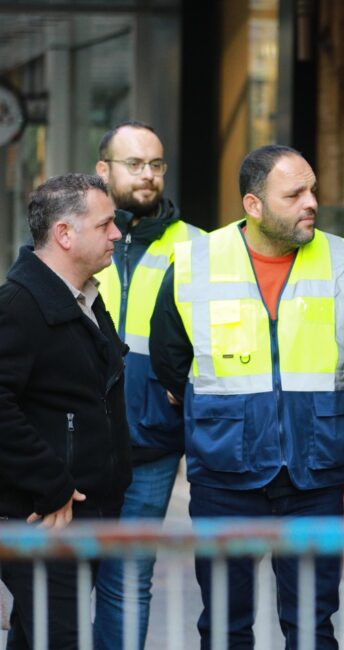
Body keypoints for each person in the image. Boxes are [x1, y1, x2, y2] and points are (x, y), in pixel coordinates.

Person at [149, 145, 344, 649]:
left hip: (314, 471)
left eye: (313, 189)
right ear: (254, 205)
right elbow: (170, 358)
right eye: (295, 194)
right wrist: (219, 410)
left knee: (312, 626)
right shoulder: (195, 260)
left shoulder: (343, 257)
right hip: (226, 471)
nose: (311, 202)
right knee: (225, 625)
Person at [0, 173, 131, 648]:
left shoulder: (86, 301)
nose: (116, 233)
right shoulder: (19, 306)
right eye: (105, 224)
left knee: (35, 636)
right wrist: (51, 484)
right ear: (64, 234)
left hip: (81, 515)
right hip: (43, 520)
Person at [91, 119, 203, 650]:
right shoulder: (76, 237)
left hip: (152, 445)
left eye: (156, 164)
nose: (148, 175)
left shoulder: (198, 248)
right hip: (81, 439)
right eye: (134, 164)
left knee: (129, 580)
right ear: (104, 170)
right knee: (60, 580)